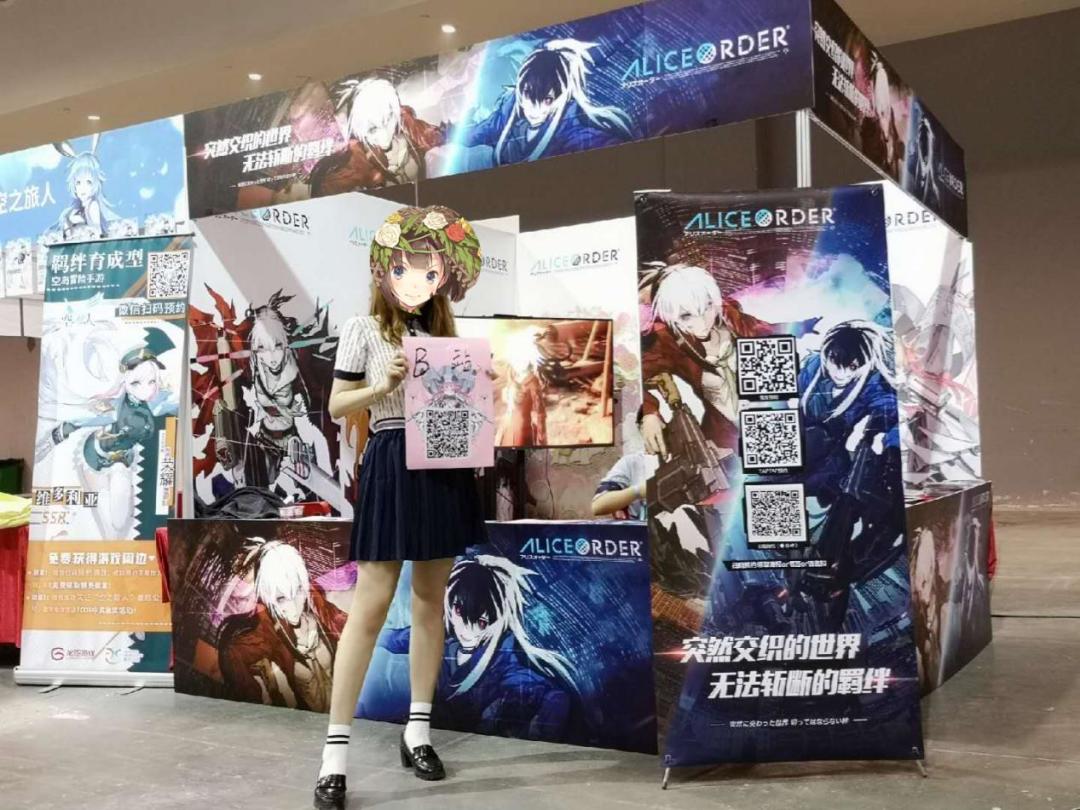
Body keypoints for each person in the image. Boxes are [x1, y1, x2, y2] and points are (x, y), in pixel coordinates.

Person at [313, 205, 484, 810]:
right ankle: (334, 755)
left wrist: (485, 396)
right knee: (371, 604)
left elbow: (465, 412)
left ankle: (418, 731)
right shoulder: (363, 329)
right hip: (390, 457)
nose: (416, 281)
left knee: (431, 600)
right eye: (405, 269)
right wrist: (381, 386)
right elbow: (337, 406)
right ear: (385, 271)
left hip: (444, 464)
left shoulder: (448, 340)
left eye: (429, 271)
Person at [457, 39, 633, 167]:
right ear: (521, 89)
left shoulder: (569, 128)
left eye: (547, 100)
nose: (535, 109)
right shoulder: (509, 110)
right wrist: (447, 134)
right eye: (528, 94)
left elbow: (597, 142)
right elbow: (480, 132)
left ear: (560, 98)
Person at [310, 77, 444, 195]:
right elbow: (327, 189)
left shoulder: (409, 127)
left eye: (388, 119)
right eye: (373, 129)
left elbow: (435, 138)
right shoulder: (356, 161)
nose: (384, 134)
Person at [591, 409, 657, 521]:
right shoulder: (631, 462)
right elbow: (598, 506)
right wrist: (638, 491)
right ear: (640, 428)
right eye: (648, 424)